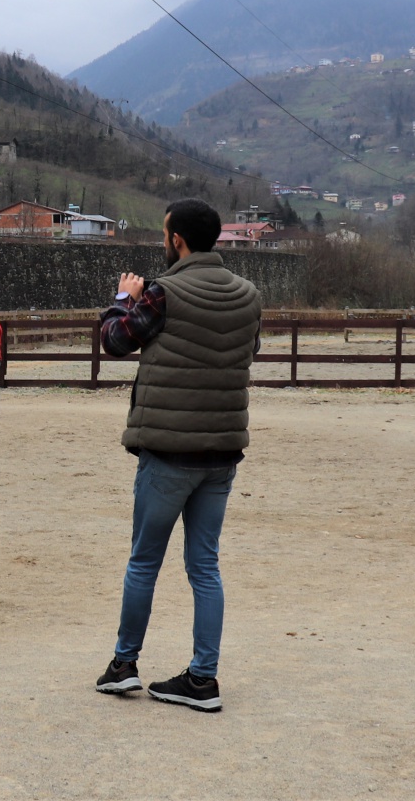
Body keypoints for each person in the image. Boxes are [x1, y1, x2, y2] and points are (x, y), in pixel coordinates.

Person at [92, 198, 262, 713]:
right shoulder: (249, 295)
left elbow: (116, 341)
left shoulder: (164, 292)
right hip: (222, 451)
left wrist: (124, 298)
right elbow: (248, 352)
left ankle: (124, 667)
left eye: (165, 234)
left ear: (177, 240)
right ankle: (203, 679)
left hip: (167, 450)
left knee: (144, 562)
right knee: (204, 567)